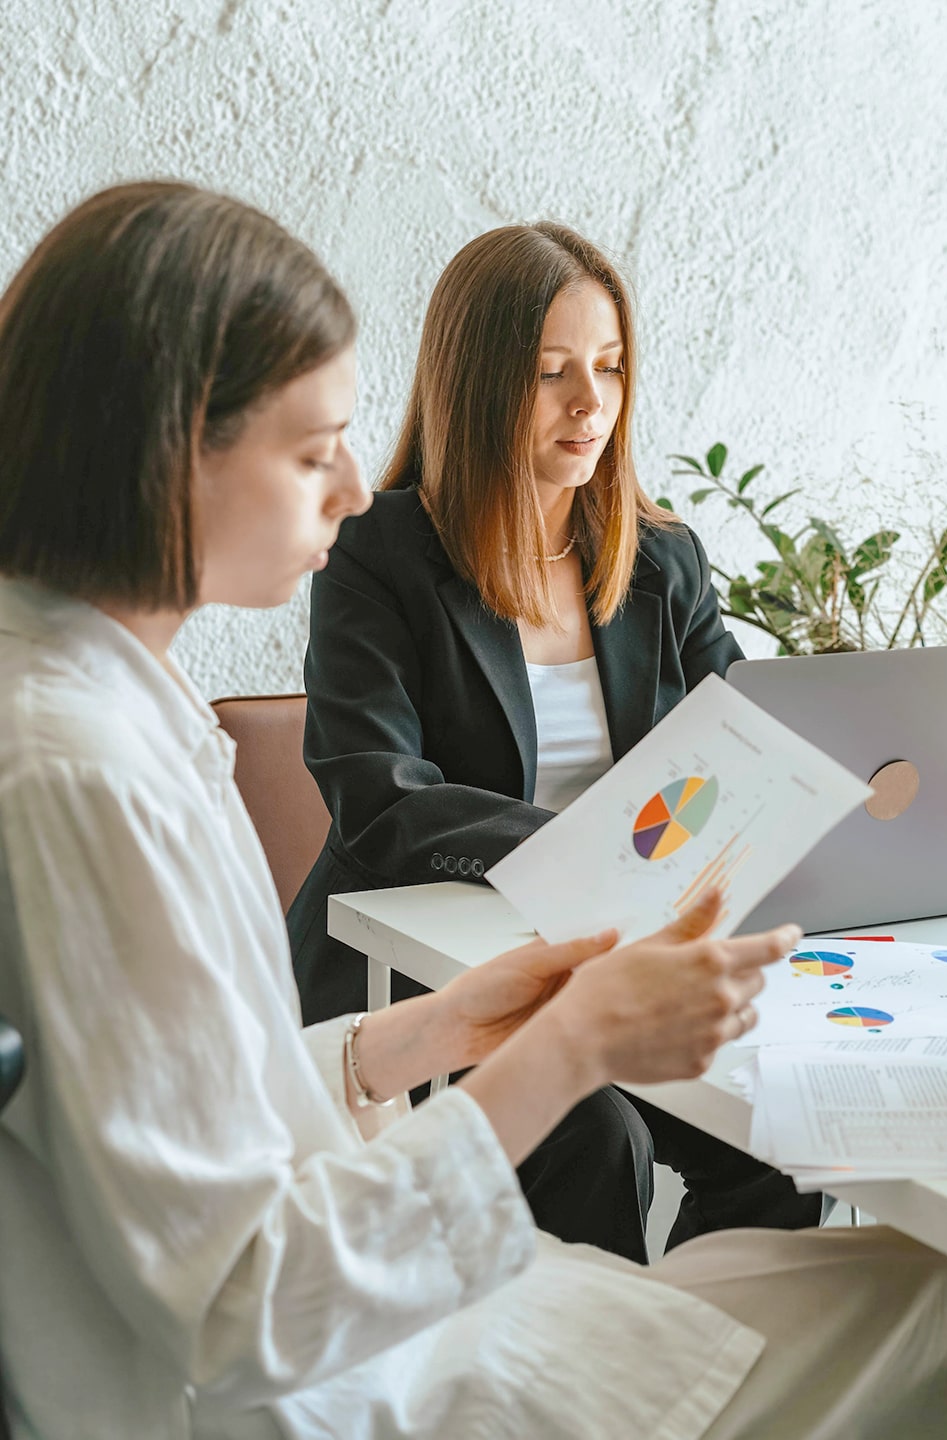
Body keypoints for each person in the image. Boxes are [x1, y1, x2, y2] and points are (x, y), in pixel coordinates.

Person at [0, 181, 947, 1440]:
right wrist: (566, 1047)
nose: (353, 487)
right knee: (924, 1310)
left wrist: (421, 1036)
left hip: (336, 1261)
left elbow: (201, 1114)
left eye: (611, 369)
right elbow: (239, 1303)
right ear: (166, 451)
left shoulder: (103, 708)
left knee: (903, 1283)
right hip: (305, 1382)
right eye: (315, 451)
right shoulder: (84, 775)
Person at [288, 221, 821, 1261]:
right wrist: (602, 856)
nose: (593, 404)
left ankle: (719, 1382)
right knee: (597, 1139)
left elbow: (753, 744)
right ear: (480, 383)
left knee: (778, 1135)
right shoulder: (377, 554)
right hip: (423, 980)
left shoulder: (663, 561)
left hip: (623, 949)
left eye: (612, 368)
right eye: (553, 373)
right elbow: (382, 798)